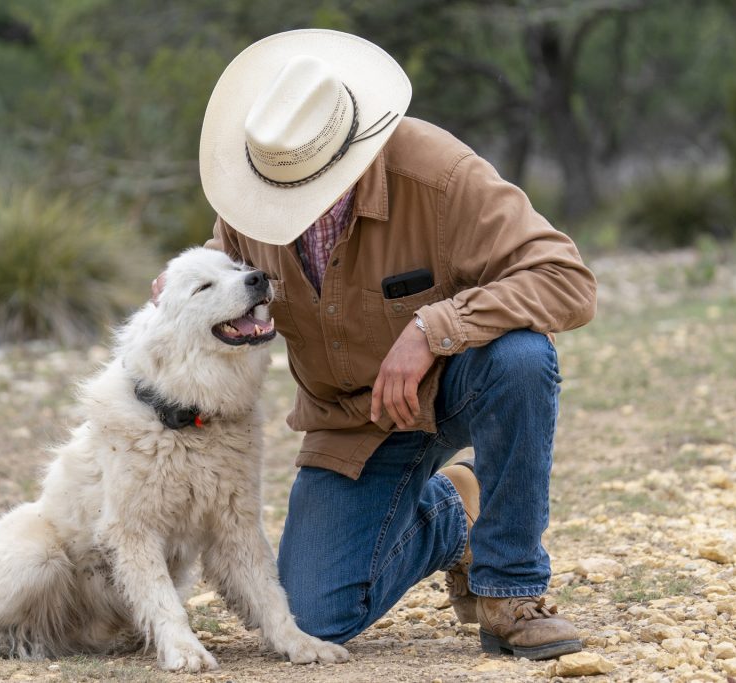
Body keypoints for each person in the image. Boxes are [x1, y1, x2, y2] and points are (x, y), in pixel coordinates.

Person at [181, 28, 597, 661]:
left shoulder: (442, 173)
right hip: (351, 418)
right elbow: (225, 260)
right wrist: (186, 282)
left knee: (521, 359)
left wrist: (435, 329)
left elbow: (565, 280)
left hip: (458, 383)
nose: (285, 204)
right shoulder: (254, 186)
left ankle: (510, 589)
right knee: (312, 620)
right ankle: (453, 517)